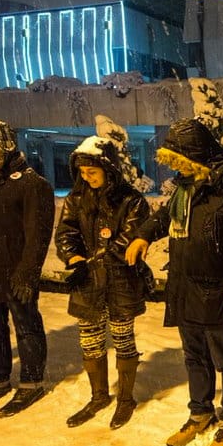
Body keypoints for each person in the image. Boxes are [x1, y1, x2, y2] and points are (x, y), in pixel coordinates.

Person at [125, 118, 223, 446]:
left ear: (198, 156)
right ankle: (200, 412)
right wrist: (143, 234)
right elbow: (164, 217)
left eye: (180, 161)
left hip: (219, 290)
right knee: (194, 356)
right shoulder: (186, 187)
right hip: (184, 286)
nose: (176, 168)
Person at [55, 136, 151, 429]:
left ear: (108, 169)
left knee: (123, 339)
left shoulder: (131, 199)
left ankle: (125, 398)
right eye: (83, 173)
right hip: (87, 282)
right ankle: (99, 396)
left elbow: (129, 237)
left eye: (92, 172)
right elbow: (66, 233)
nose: (87, 177)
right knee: (90, 341)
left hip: (121, 281)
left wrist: (96, 259)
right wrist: (73, 259)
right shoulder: (76, 198)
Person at [0, 119, 54, 417]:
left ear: (4, 145)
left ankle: (32, 381)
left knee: (26, 325)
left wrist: (28, 271)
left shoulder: (31, 184)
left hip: (18, 272)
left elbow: (38, 233)